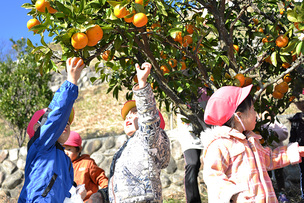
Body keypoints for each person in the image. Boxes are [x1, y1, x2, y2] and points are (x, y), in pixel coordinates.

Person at [200, 84, 304, 203]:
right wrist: (234, 195)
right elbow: (213, 176)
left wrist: (295, 151)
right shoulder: (220, 145)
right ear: (239, 117)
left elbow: (268, 158)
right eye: (253, 110)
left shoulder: (250, 140)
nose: (256, 114)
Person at [18, 57, 85, 202]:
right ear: (37, 128)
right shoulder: (41, 143)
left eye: (68, 122)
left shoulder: (66, 162)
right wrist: (71, 82)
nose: (65, 124)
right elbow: (56, 115)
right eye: (62, 122)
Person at [106, 62, 170, 202]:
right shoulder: (126, 149)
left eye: (135, 112)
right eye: (127, 114)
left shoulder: (148, 139)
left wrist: (142, 84)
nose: (128, 116)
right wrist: (101, 195)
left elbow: (149, 118)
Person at [176, 87, 210, 203]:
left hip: (209, 126)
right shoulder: (177, 81)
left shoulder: (206, 77)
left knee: (215, 163)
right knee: (192, 163)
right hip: (188, 130)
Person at [63, 131, 108, 201]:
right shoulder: (62, 166)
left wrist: (105, 192)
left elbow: (101, 178)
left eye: (69, 149)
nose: (66, 153)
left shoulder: (87, 163)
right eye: (63, 149)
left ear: (78, 150)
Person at [262, 119, 289, 202]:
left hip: (277, 154)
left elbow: (285, 132)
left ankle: (282, 193)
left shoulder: (276, 122)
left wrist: (275, 133)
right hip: (265, 155)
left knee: (279, 174)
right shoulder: (260, 124)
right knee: (267, 175)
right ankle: (270, 193)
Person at [288, 102, 304, 202]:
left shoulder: (296, 119)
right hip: (301, 152)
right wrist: (292, 154)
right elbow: (292, 139)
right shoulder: (296, 119)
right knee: (303, 173)